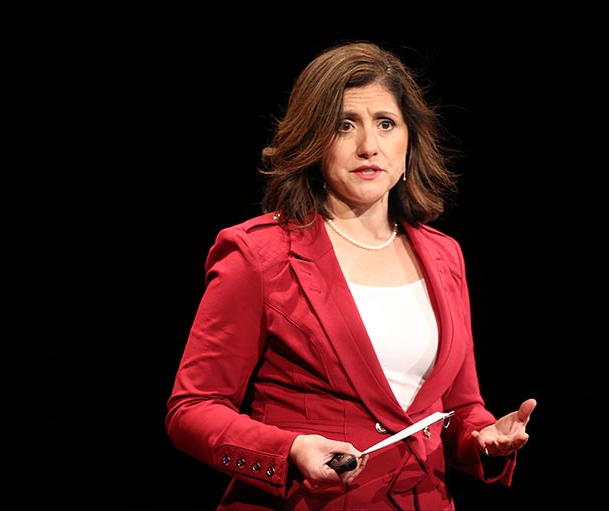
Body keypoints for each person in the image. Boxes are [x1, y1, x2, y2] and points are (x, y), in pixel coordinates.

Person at [164, 40, 537, 510]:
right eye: (345, 125)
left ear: (409, 139)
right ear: (313, 139)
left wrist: (483, 436)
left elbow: (459, 406)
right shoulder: (258, 254)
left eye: (386, 123)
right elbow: (191, 410)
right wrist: (290, 450)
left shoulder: (445, 255)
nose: (369, 146)